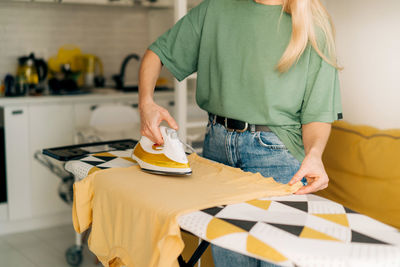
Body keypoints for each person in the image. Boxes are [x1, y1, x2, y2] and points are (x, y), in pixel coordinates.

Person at [138, 0, 343, 266]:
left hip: (279, 157)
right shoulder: (215, 9)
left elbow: (317, 113)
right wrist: (146, 103)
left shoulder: (313, 23)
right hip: (216, 148)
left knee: (275, 260)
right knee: (229, 259)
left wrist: (315, 154)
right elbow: (157, 53)